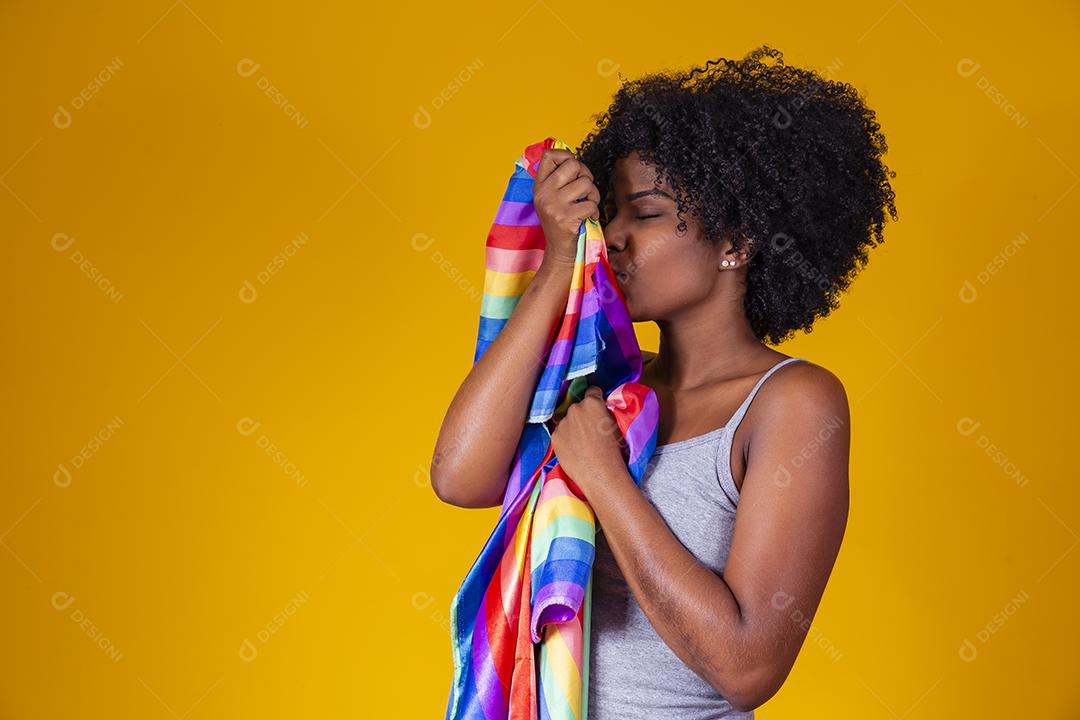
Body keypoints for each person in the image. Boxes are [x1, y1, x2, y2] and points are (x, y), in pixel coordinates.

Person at [431, 44, 897, 718]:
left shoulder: (791, 403)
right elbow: (458, 477)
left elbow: (747, 666)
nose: (613, 235)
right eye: (608, 213)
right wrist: (562, 263)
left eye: (644, 215)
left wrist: (604, 477)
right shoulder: (607, 389)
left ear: (736, 241)